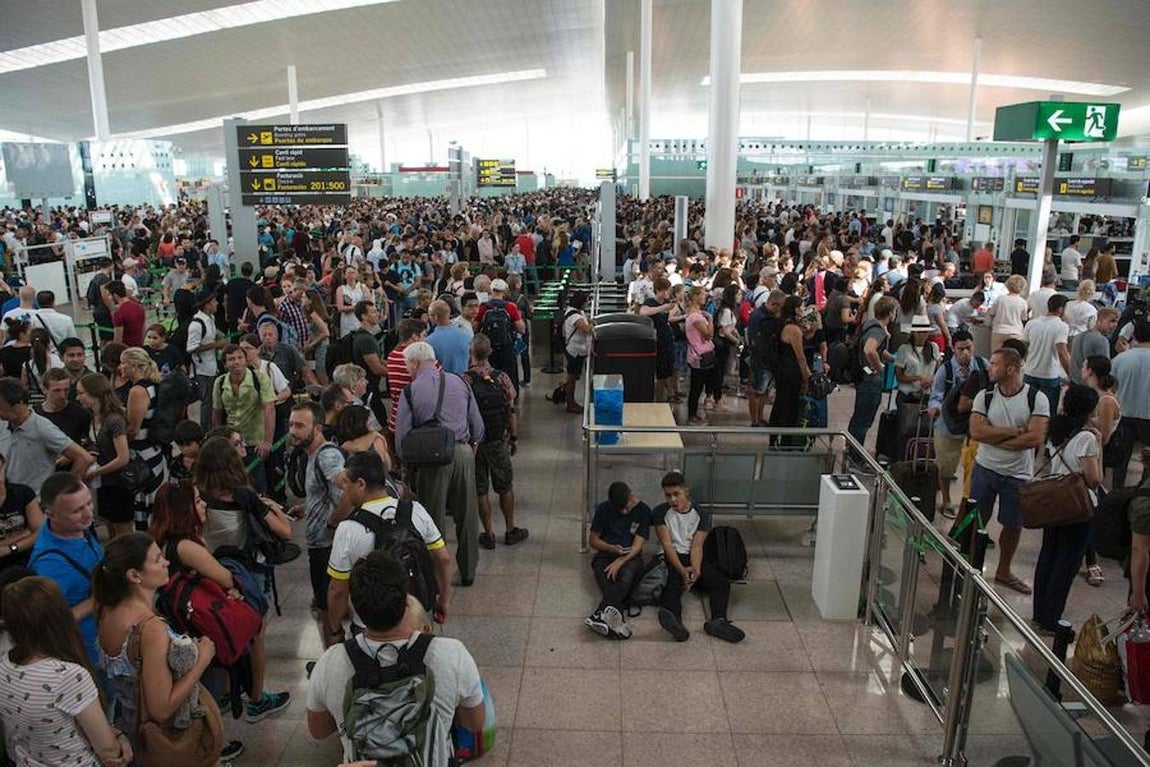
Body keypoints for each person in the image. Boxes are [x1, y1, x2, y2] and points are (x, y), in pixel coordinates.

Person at [307, 549, 484, 765]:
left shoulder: (330, 662)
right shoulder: (452, 654)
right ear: (406, 599)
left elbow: (318, 730)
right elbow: (475, 723)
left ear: (356, 609)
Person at [148, 483, 291, 722]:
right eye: (196, 501)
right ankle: (256, 699)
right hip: (198, 618)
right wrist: (235, 587)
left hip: (184, 613)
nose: (204, 504)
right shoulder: (186, 546)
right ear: (183, 510)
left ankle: (225, 696)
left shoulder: (164, 541)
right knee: (255, 627)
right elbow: (225, 577)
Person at [93, 533, 233, 763]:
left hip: (134, 728)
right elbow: (161, 709)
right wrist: (202, 660)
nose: (166, 562)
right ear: (135, 575)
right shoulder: (150, 629)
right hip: (169, 740)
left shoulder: (106, 610)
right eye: (158, 559)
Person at [0, 576, 132, 767]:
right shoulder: (68, 676)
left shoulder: (4, 664)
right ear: (58, 617)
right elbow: (108, 751)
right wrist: (121, 738)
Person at [324, 452, 452, 640]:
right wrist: (444, 599)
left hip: (370, 624)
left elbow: (338, 590)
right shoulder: (415, 510)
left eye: (346, 483)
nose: (344, 489)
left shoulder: (347, 529)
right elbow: (444, 559)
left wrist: (335, 628)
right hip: (416, 615)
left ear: (360, 484)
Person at [395, 342, 483, 587]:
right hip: (463, 452)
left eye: (407, 366)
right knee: (467, 515)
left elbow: (401, 438)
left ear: (414, 363)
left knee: (432, 518)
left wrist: (406, 467)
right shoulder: (460, 382)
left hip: (429, 458)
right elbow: (477, 424)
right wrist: (470, 450)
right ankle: (468, 571)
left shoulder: (410, 391)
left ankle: (436, 574)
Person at [969, 347, 1051, 595]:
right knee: (976, 519)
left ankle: (1003, 570)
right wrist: (1015, 431)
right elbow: (976, 432)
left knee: (1012, 525)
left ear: (1011, 369)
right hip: (985, 468)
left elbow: (1035, 438)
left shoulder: (1036, 398)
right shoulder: (985, 395)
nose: (989, 367)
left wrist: (993, 435)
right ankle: (971, 563)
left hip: (1017, 475)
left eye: (995, 364)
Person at [1031, 384, 1102, 633]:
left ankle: (1039, 612)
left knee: (1048, 556)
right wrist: (1099, 446)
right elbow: (1094, 478)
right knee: (1067, 562)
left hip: (1055, 502)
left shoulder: (1057, 431)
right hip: (1078, 506)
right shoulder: (1087, 438)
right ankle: (1052, 618)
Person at [650, 471, 745, 644]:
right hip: (671, 556)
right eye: (668, 495)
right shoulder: (659, 512)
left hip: (692, 555)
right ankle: (676, 623)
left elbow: (697, 546)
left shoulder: (702, 514)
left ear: (686, 491)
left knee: (720, 582)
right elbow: (667, 544)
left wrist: (696, 571)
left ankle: (719, 620)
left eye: (676, 494)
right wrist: (681, 569)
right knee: (672, 584)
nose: (672, 500)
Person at [29, 473, 104, 663]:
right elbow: (48, 624)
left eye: (88, 503)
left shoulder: (77, 528)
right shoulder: (49, 566)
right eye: (77, 510)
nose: (88, 513)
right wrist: (99, 598)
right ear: (50, 513)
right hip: (86, 652)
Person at [462, 334, 526, 550]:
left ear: (471, 353)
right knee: (505, 486)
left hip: (475, 443)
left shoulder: (465, 380)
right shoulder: (502, 378)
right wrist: (514, 438)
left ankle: (488, 532)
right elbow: (510, 411)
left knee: (481, 489)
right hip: (497, 440)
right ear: (490, 352)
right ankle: (510, 529)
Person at [288, 402, 347, 631]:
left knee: (328, 612)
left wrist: (331, 523)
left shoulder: (327, 456)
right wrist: (308, 506)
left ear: (318, 427)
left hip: (327, 547)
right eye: (291, 425)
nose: (293, 431)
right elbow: (326, 493)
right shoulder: (310, 454)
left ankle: (334, 660)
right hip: (320, 545)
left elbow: (347, 496)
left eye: (300, 426)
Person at [194, 435, 293, 555]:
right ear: (233, 463)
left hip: (207, 560)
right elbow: (285, 532)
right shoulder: (244, 495)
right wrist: (275, 507)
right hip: (242, 563)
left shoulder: (196, 495)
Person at [926, 331, 986, 517]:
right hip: (948, 426)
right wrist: (934, 408)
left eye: (968, 348)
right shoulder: (946, 370)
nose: (965, 352)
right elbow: (936, 395)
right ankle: (945, 499)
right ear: (953, 349)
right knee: (946, 465)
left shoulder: (984, 366)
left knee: (974, 470)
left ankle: (966, 504)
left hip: (974, 428)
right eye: (961, 349)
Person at [0, 377, 92, 492]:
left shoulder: (42, 428)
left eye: (1, 406)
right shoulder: (3, 424)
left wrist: (62, 494)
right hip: (10, 501)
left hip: (37, 502)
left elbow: (84, 458)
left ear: (18, 404)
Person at [585, 481, 650, 640]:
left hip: (630, 557)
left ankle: (599, 614)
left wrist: (620, 561)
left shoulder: (643, 511)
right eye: (620, 508)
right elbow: (593, 540)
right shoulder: (604, 509)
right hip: (606, 554)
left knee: (625, 577)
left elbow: (637, 546)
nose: (624, 511)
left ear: (631, 495)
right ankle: (616, 621)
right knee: (609, 581)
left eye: (626, 507)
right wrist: (612, 548)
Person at [76, 373, 133, 540]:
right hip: (105, 482)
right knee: (111, 526)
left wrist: (95, 472)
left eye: (81, 393)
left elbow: (123, 458)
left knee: (123, 530)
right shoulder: (94, 418)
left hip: (118, 482)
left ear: (95, 393)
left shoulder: (113, 420)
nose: (78, 397)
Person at [212, 344, 275, 493]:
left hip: (254, 441)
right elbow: (216, 412)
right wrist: (216, 441)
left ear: (246, 360)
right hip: (230, 443)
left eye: (240, 358)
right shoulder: (220, 382)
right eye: (231, 359)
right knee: (232, 485)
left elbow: (270, 409)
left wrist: (267, 441)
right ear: (225, 364)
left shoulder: (259, 379)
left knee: (257, 485)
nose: (236, 362)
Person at [118, 348, 167, 529]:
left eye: (123, 363)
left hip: (141, 452)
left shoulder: (137, 391)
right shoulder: (153, 385)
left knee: (144, 500)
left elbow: (133, 428)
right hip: (153, 450)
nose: (120, 367)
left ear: (133, 366)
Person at [847, 296, 899, 466]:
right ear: (890, 312)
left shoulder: (870, 324)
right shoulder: (878, 330)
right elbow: (870, 350)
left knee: (859, 418)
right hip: (870, 379)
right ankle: (856, 459)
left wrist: (892, 359)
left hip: (863, 376)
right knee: (863, 420)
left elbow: (878, 349)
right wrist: (879, 367)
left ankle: (852, 451)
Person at [1111, 320, 1150, 489]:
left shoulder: (1121, 358)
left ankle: (1116, 490)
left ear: (1134, 337)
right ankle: (1144, 490)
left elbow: (1111, 386)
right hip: (1148, 417)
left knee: (1121, 458)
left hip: (1124, 415)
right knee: (1148, 459)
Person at [1022, 294, 1072, 414]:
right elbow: (1062, 352)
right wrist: (1071, 374)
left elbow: (1024, 346)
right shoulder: (1062, 326)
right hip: (1049, 375)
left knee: (1028, 409)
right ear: (1061, 309)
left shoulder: (1032, 323)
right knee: (1047, 412)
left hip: (1029, 371)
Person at [683, 285, 716, 425]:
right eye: (702, 294)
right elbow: (708, 335)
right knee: (696, 387)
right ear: (695, 296)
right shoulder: (696, 317)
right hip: (699, 354)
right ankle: (691, 415)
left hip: (701, 353)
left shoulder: (696, 313)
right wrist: (711, 321)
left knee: (698, 386)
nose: (705, 297)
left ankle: (694, 413)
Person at [36, 367, 92, 446]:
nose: (62, 396)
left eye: (66, 390)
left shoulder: (81, 415)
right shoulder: (35, 414)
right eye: (57, 391)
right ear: (44, 390)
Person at [1070, 306, 1118, 386]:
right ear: (1100, 320)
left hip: (1074, 383)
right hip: (1089, 386)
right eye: (1112, 321)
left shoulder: (1078, 336)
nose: (1115, 325)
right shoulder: (1101, 340)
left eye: (1117, 322)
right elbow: (1105, 369)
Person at [426, 299, 471, 375]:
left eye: (430, 315)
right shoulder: (466, 335)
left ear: (436, 317)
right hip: (463, 381)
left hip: (443, 383)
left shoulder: (430, 341)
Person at [987, 274, 1028, 353]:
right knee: (1014, 357)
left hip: (999, 330)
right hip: (1015, 331)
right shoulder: (1023, 302)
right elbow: (1024, 319)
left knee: (996, 356)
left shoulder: (1000, 299)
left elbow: (991, 313)